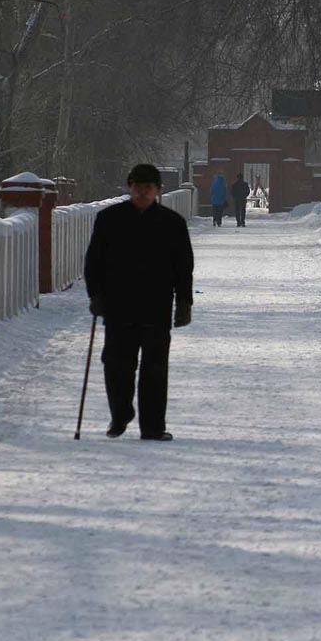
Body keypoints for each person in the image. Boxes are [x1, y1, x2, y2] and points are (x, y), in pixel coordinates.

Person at [84, 163, 194, 441]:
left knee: (154, 369)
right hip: (118, 304)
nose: (142, 193)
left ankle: (153, 426)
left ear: (158, 190)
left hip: (156, 305)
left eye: (148, 188)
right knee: (116, 364)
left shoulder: (172, 223)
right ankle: (120, 414)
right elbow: (93, 261)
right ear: (129, 187)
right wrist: (95, 295)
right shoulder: (109, 219)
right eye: (137, 188)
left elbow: (183, 267)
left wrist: (184, 303)